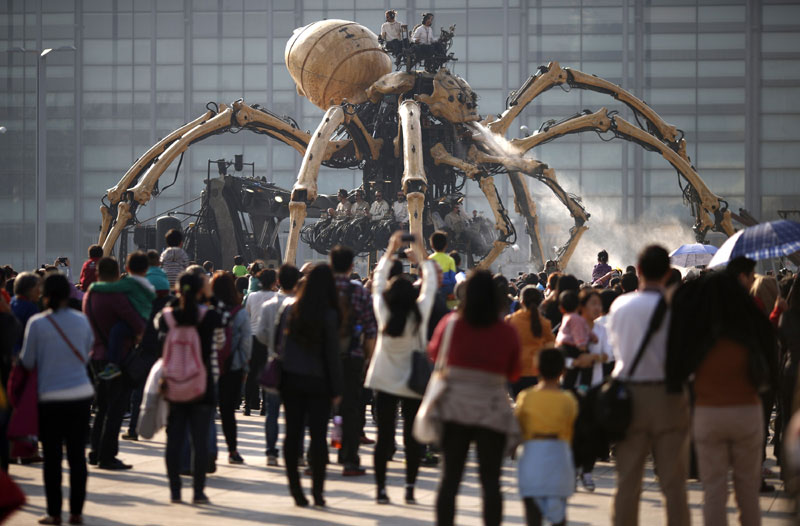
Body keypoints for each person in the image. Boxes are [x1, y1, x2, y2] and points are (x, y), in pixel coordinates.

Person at [669, 271, 777, 526]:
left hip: (708, 413)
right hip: (747, 412)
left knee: (714, 490)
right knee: (748, 491)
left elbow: (678, 372)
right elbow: (769, 370)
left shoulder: (698, 333)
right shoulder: (752, 326)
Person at [429, 269, 521, 526]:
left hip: (454, 408)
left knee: (449, 480)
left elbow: (434, 355)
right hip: (491, 410)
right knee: (491, 482)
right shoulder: (505, 331)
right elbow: (513, 373)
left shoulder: (451, 324)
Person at [607, 245, 690, 526]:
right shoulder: (677, 309)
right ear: (668, 272)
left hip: (629, 397)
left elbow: (616, 350)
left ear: (638, 270)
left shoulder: (620, 306)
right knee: (674, 483)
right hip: (669, 396)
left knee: (628, 480)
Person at [364, 232, 437, 505]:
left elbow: (377, 283)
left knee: (384, 438)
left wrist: (389, 251)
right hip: (412, 382)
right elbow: (430, 285)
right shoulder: (420, 315)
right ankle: (409, 487)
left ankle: (382, 489)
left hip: (383, 379)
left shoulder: (384, 313)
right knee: (411, 438)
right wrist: (421, 254)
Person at [20, 273, 94, 526]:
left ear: (45, 295)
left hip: (50, 397)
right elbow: (87, 353)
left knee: (52, 458)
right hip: (81, 395)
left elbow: (27, 361)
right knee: (77, 457)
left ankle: (53, 513)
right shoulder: (82, 321)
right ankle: (76, 512)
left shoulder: (37, 324)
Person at [155, 271, 223, 505]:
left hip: (174, 383)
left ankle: (175, 490)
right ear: (201, 291)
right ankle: (198, 491)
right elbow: (221, 341)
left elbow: (160, 342)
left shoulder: (167, 318)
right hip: (202, 385)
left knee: (174, 440)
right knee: (200, 440)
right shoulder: (210, 316)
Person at [279, 264, 344, 507]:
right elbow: (332, 355)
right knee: (317, 436)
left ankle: (296, 489)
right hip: (319, 381)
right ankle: (317, 491)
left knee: (292, 434)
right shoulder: (329, 314)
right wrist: (337, 389)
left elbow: (278, 343)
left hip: (291, 377)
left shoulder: (289, 308)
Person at [83, 257, 146, 471]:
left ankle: (95, 451)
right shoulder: (115, 296)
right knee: (116, 408)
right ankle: (108, 455)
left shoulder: (90, 294)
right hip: (116, 358)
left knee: (101, 407)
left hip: (96, 356)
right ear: (118, 273)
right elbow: (137, 322)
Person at [515, 348, 578, 526]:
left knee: (532, 511)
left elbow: (518, 425)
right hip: (559, 455)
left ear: (536, 369)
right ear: (562, 371)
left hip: (532, 454)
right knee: (559, 512)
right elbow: (571, 426)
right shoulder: (568, 399)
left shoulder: (526, 397)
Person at [330, 245, 377, 477]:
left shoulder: (319, 289)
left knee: (322, 408)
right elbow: (370, 330)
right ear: (351, 266)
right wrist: (367, 360)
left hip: (323, 358)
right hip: (352, 357)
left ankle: (314, 457)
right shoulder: (359, 292)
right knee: (350, 408)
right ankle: (349, 458)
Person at [255, 264, 301, 467]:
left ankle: (271, 452)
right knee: (295, 414)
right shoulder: (301, 305)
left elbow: (261, 334)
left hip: (274, 361)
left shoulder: (269, 305)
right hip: (296, 366)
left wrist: (273, 346)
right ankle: (297, 452)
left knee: (272, 412)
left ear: (278, 282)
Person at [89, 251, 155, 381]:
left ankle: (113, 364)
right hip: (144, 317)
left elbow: (112, 288)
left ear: (127, 268)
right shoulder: (146, 284)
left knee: (116, 331)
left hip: (136, 319)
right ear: (146, 269)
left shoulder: (130, 283)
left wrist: (94, 286)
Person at [211, 271, 251, 465]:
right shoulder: (239, 312)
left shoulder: (206, 309)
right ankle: (232, 450)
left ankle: (208, 449)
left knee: (207, 410)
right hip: (232, 367)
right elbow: (246, 344)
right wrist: (243, 366)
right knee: (228, 412)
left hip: (209, 366)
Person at [505, 285, 555, 397]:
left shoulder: (511, 321)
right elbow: (551, 347)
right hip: (537, 374)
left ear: (521, 301)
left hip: (515, 373)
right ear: (540, 302)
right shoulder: (545, 324)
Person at [243, 269, 276, 416]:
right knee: (266, 372)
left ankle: (248, 406)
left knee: (252, 373)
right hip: (269, 339)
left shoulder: (252, 296)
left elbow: (248, 315)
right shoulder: (277, 297)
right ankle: (264, 407)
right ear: (274, 282)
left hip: (253, 336)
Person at [555, 290, 596, 390]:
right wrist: (582, 347)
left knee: (570, 374)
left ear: (561, 308)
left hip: (564, 347)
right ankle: (584, 388)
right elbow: (579, 334)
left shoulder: (567, 317)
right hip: (572, 347)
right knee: (588, 365)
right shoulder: (576, 318)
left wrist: (591, 336)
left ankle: (567, 389)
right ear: (578, 306)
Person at [10, 272, 41, 355]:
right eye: (37, 288)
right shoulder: (30, 308)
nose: (39, 292)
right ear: (28, 289)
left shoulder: (12, 302)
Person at [428, 231, 457, 297]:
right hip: (448, 289)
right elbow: (453, 278)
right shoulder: (450, 260)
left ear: (432, 246)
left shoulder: (429, 259)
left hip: (434, 289)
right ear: (446, 245)